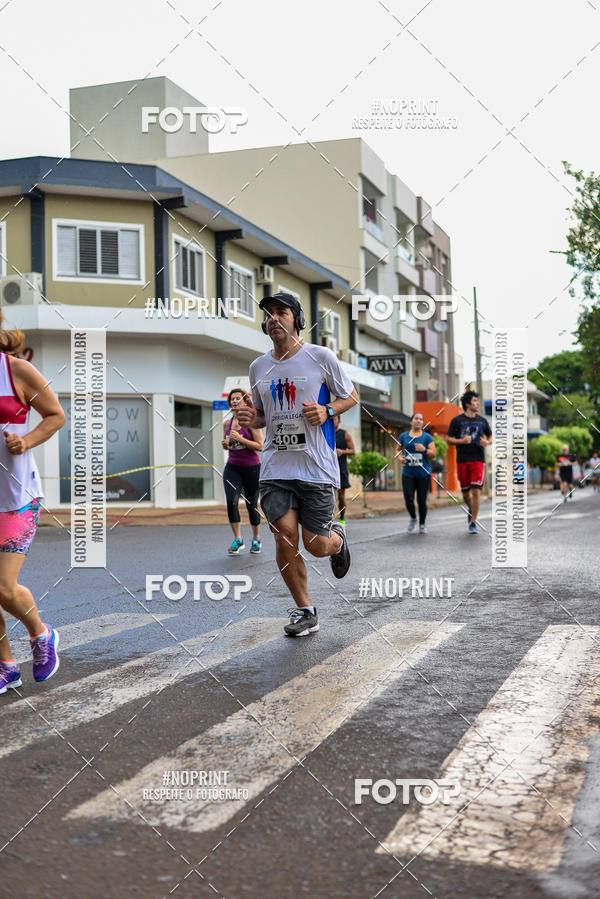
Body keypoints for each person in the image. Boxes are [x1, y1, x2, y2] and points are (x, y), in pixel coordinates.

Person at [237, 292, 358, 637]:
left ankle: (337, 539)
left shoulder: (320, 357)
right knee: (284, 538)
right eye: (268, 314)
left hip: (316, 468)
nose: (274, 318)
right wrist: (250, 417)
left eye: (281, 312)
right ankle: (306, 611)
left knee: (315, 545)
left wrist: (328, 410)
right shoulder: (258, 367)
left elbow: (351, 396)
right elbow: (261, 418)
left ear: (297, 320)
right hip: (276, 468)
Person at [0, 314, 66, 695]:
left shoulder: (16, 371)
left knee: (3, 586)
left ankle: (42, 635)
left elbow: (55, 415)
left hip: (16, 497)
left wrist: (25, 442)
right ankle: (6, 665)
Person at [221, 388, 263, 554]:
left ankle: (256, 539)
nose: (234, 401)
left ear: (245, 402)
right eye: (232, 399)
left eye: (238, 398)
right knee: (231, 501)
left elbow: (260, 446)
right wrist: (226, 444)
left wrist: (240, 439)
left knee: (252, 504)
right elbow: (227, 444)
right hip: (232, 468)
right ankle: (238, 539)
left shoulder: (252, 422)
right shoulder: (227, 423)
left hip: (252, 468)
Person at [447, 389, 493, 534]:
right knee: (466, 494)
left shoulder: (482, 420)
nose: (477, 403)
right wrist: (462, 440)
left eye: (477, 401)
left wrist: (488, 442)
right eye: (474, 401)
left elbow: (491, 436)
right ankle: (471, 509)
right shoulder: (457, 421)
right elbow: (448, 439)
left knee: (476, 491)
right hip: (462, 460)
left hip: (478, 459)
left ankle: (473, 522)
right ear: (467, 404)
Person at [395, 411, 436, 533]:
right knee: (408, 499)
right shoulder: (404, 436)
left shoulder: (427, 437)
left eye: (421, 419)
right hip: (408, 473)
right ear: (411, 421)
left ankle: (422, 524)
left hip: (423, 473)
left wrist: (424, 450)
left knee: (421, 500)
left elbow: (433, 454)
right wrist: (400, 457)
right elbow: (397, 449)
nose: (418, 421)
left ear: (423, 423)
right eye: (416, 418)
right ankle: (413, 517)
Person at [334, 413, 355, 525]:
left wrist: (342, 451)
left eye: (335, 419)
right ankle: (328, 519)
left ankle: (342, 518)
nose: (333, 421)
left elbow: (353, 450)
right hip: (327, 468)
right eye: (331, 419)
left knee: (341, 496)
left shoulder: (345, 434)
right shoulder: (325, 433)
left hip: (341, 468)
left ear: (339, 421)